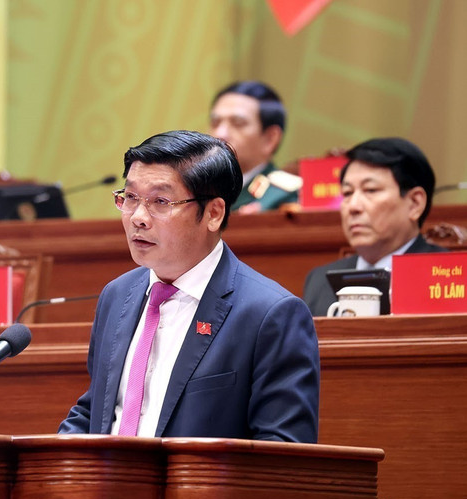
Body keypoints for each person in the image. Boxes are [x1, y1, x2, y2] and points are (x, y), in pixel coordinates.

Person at [58, 130, 320, 442]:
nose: (138, 217)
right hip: (108, 487)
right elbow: (97, 411)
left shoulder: (270, 315)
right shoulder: (117, 295)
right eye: (129, 198)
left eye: (160, 201)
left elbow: (285, 452)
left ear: (213, 213)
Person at [303, 137, 448, 316]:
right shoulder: (319, 280)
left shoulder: (447, 277)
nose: (354, 206)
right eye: (347, 193)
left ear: (414, 203)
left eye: (370, 190)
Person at [208, 80, 301, 213]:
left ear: (270, 138)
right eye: (215, 122)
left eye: (238, 123)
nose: (220, 133)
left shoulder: (286, 194)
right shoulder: (198, 191)